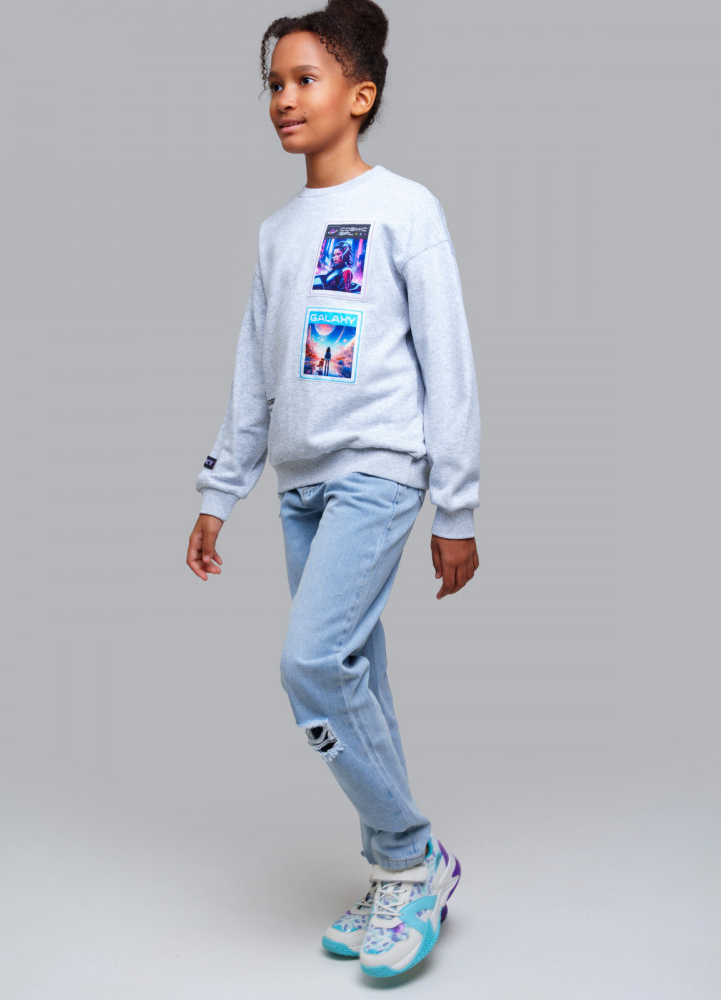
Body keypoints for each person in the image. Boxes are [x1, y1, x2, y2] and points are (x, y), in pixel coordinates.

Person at [186, 0, 480, 979]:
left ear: (360, 95)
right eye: (273, 83)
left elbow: (449, 361)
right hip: (301, 485)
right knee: (354, 672)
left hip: (380, 471)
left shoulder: (407, 209)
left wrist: (456, 506)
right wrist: (220, 491)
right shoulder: (277, 234)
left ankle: (409, 858)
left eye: (304, 80)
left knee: (309, 664)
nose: (283, 98)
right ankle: (400, 871)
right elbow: (255, 374)